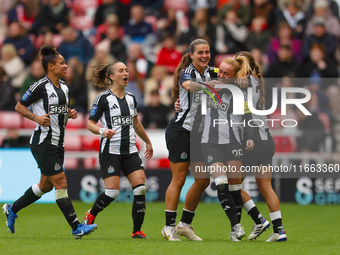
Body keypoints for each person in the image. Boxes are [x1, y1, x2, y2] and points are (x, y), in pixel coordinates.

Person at [2, 45, 97, 238]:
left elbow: (59, 112)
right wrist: (35, 118)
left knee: (45, 185)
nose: (66, 66)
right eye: (62, 63)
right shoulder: (39, 87)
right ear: (51, 66)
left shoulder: (64, 87)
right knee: (61, 181)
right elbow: (19, 106)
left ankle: (12, 209)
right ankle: (76, 227)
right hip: (43, 142)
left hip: (58, 143)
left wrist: (70, 114)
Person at [162, 39, 244, 242]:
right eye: (200, 52)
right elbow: (188, 85)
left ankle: (184, 224)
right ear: (191, 55)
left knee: (202, 180)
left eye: (207, 52)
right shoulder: (187, 71)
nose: (205, 55)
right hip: (181, 130)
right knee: (179, 179)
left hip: (200, 134)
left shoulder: (211, 70)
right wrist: (209, 86)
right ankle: (168, 226)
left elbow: (230, 73)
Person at [83, 61, 153, 239]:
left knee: (140, 188)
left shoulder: (131, 98)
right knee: (112, 192)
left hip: (130, 151)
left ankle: (136, 230)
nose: (126, 73)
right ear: (111, 77)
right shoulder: (103, 98)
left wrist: (148, 142)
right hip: (111, 150)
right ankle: (91, 214)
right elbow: (90, 123)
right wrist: (102, 131)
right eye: (121, 71)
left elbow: (136, 124)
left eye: (127, 70)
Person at [235, 51, 287, 242]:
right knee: (266, 187)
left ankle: (259, 219)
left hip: (253, 141)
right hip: (266, 140)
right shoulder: (257, 81)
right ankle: (279, 230)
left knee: (231, 185)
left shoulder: (244, 81)